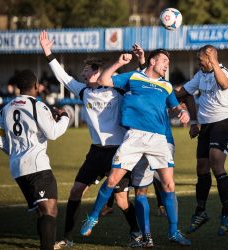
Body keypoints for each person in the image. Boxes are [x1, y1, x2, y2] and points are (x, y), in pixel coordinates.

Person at [39, 31, 142, 248]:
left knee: (122, 200)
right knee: (76, 191)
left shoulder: (117, 90)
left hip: (118, 152)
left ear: (98, 72)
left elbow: (140, 81)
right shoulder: (83, 91)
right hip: (96, 152)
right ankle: (67, 238)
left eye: (87, 70)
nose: (83, 74)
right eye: (83, 71)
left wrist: (139, 61)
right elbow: (63, 77)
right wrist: (48, 52)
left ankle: (136, 233)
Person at [80, 48, 191, 246]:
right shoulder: (133, 76)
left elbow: (175, 105)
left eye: (168, 61)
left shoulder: (166, 85)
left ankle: (173, 231)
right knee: (113, 179)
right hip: (134, 136)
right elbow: (104, 80)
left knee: (169, 185)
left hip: (158, 139)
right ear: (152, 62)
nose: (167, 64)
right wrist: (118, 63)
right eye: (164, 60)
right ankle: (93, 217)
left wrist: (183, 112)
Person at [0, 69, 69, 250]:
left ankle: (48, 243)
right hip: (37, 166)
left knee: (41, 212)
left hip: (17, 168)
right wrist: (65, 117)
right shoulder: (38, 105)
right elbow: (52, 133)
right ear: (36, 86)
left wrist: (14, 153)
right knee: (50, 211)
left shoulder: (6, 108)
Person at [175, 45, 228, 236]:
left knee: (216, 162)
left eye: (201, 60)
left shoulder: (223, 72)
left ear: (211, 60)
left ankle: (227, 212)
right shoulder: (200, 75)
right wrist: (193, 121)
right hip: (206, 126)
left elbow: (224, 84)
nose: (198, 63)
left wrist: (215, 63)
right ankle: (200, 212)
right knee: (201, 168)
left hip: (223, 124)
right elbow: (183, 93)